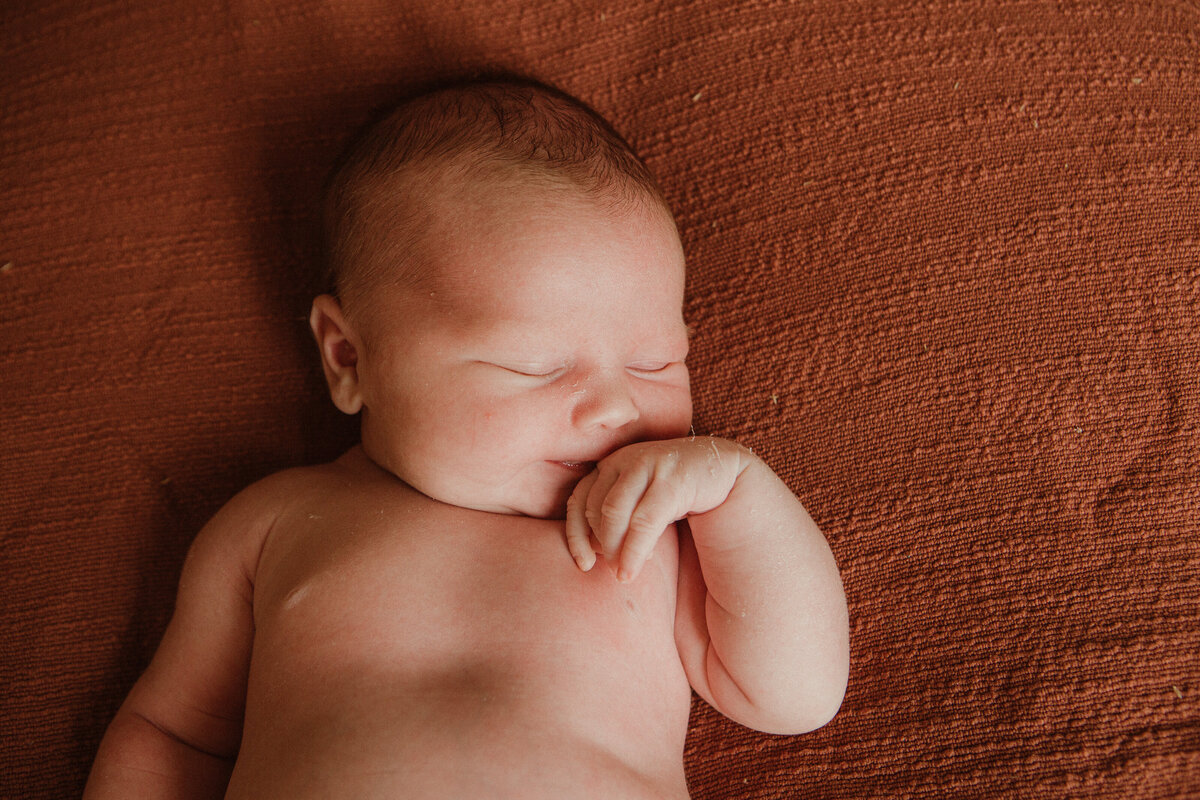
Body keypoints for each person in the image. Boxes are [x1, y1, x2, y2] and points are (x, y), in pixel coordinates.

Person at [84, 76, 850, 799]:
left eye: (657, 363)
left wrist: (739, 493)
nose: (615, 409)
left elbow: (793, 697)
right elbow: (174, 735)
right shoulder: (273, 522)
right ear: (349, 358)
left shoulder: (656, 539)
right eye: (535, 364)